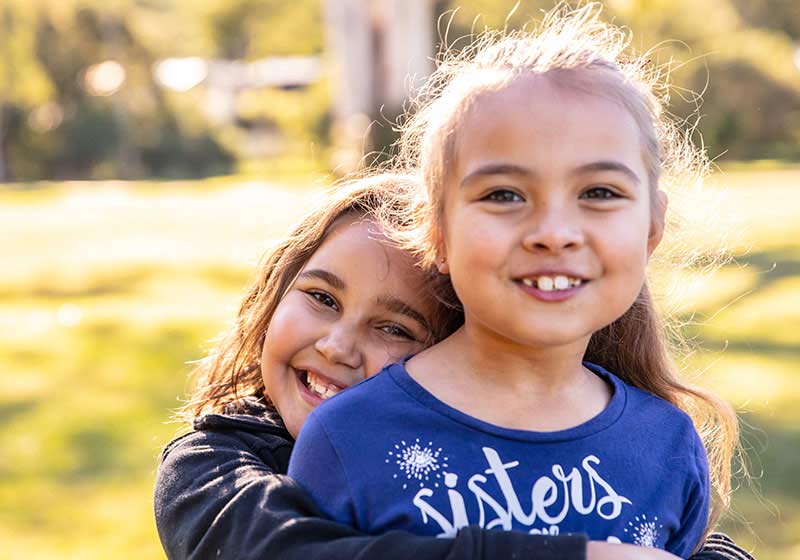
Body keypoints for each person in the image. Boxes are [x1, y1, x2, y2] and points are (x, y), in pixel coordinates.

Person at [287, 4, 741, 558]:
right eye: (504, 194)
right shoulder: (351, 437)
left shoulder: (668, 446)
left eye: (599, 192)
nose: (553, 233)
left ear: (652, 227)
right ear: (437, 231)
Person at [153, 172, 753, 560]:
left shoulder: (525, 453)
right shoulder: (209, 466)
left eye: (395, 328)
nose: (337, 345)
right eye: (322, 298)